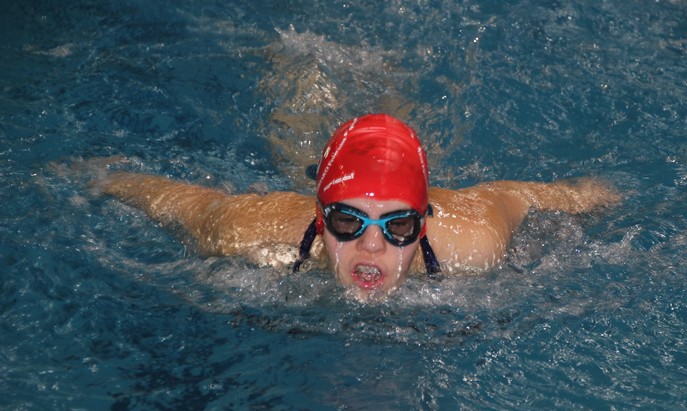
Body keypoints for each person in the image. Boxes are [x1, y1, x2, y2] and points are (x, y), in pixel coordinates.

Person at [97, 114, 619, 300]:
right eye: (348, 220)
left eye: (399, 225)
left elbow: (524, 195)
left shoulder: (476, 239)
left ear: (424, 223)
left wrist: (593, 198)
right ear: (319, 218)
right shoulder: (248, 230)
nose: (372, 244)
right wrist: (101, 178)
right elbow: (174, 201)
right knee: (296, 122)